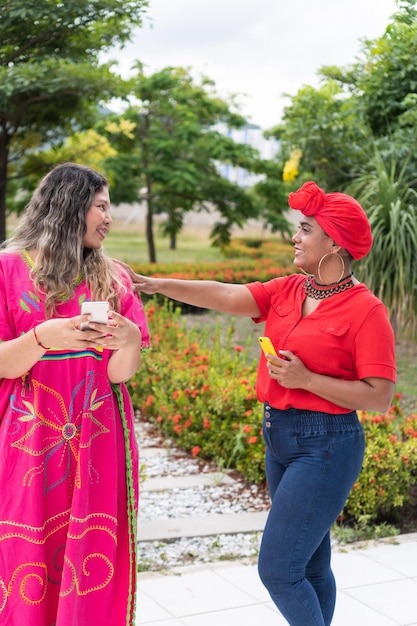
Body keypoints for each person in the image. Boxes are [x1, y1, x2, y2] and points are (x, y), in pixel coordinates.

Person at [129, 180, 396, 626]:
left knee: (278, 570)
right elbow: (228, 294)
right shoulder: (291, 289)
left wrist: (307, 379)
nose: (295, 236)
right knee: (309, 564)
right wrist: (155, 284)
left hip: (327, 445)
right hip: (281, 438)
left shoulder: (366, 311)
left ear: (334, 242)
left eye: (305, 229)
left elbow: (380, 397)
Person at [0, 163, 150, 625]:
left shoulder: (114, 277)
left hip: (99, 438)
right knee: (25, 552)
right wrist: (43, 337)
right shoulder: (8, 269)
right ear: (69, 207)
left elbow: (120, 375)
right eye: (101, 206)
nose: (109, 217)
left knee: (93, 557)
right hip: (30, 442)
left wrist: (126, 344)